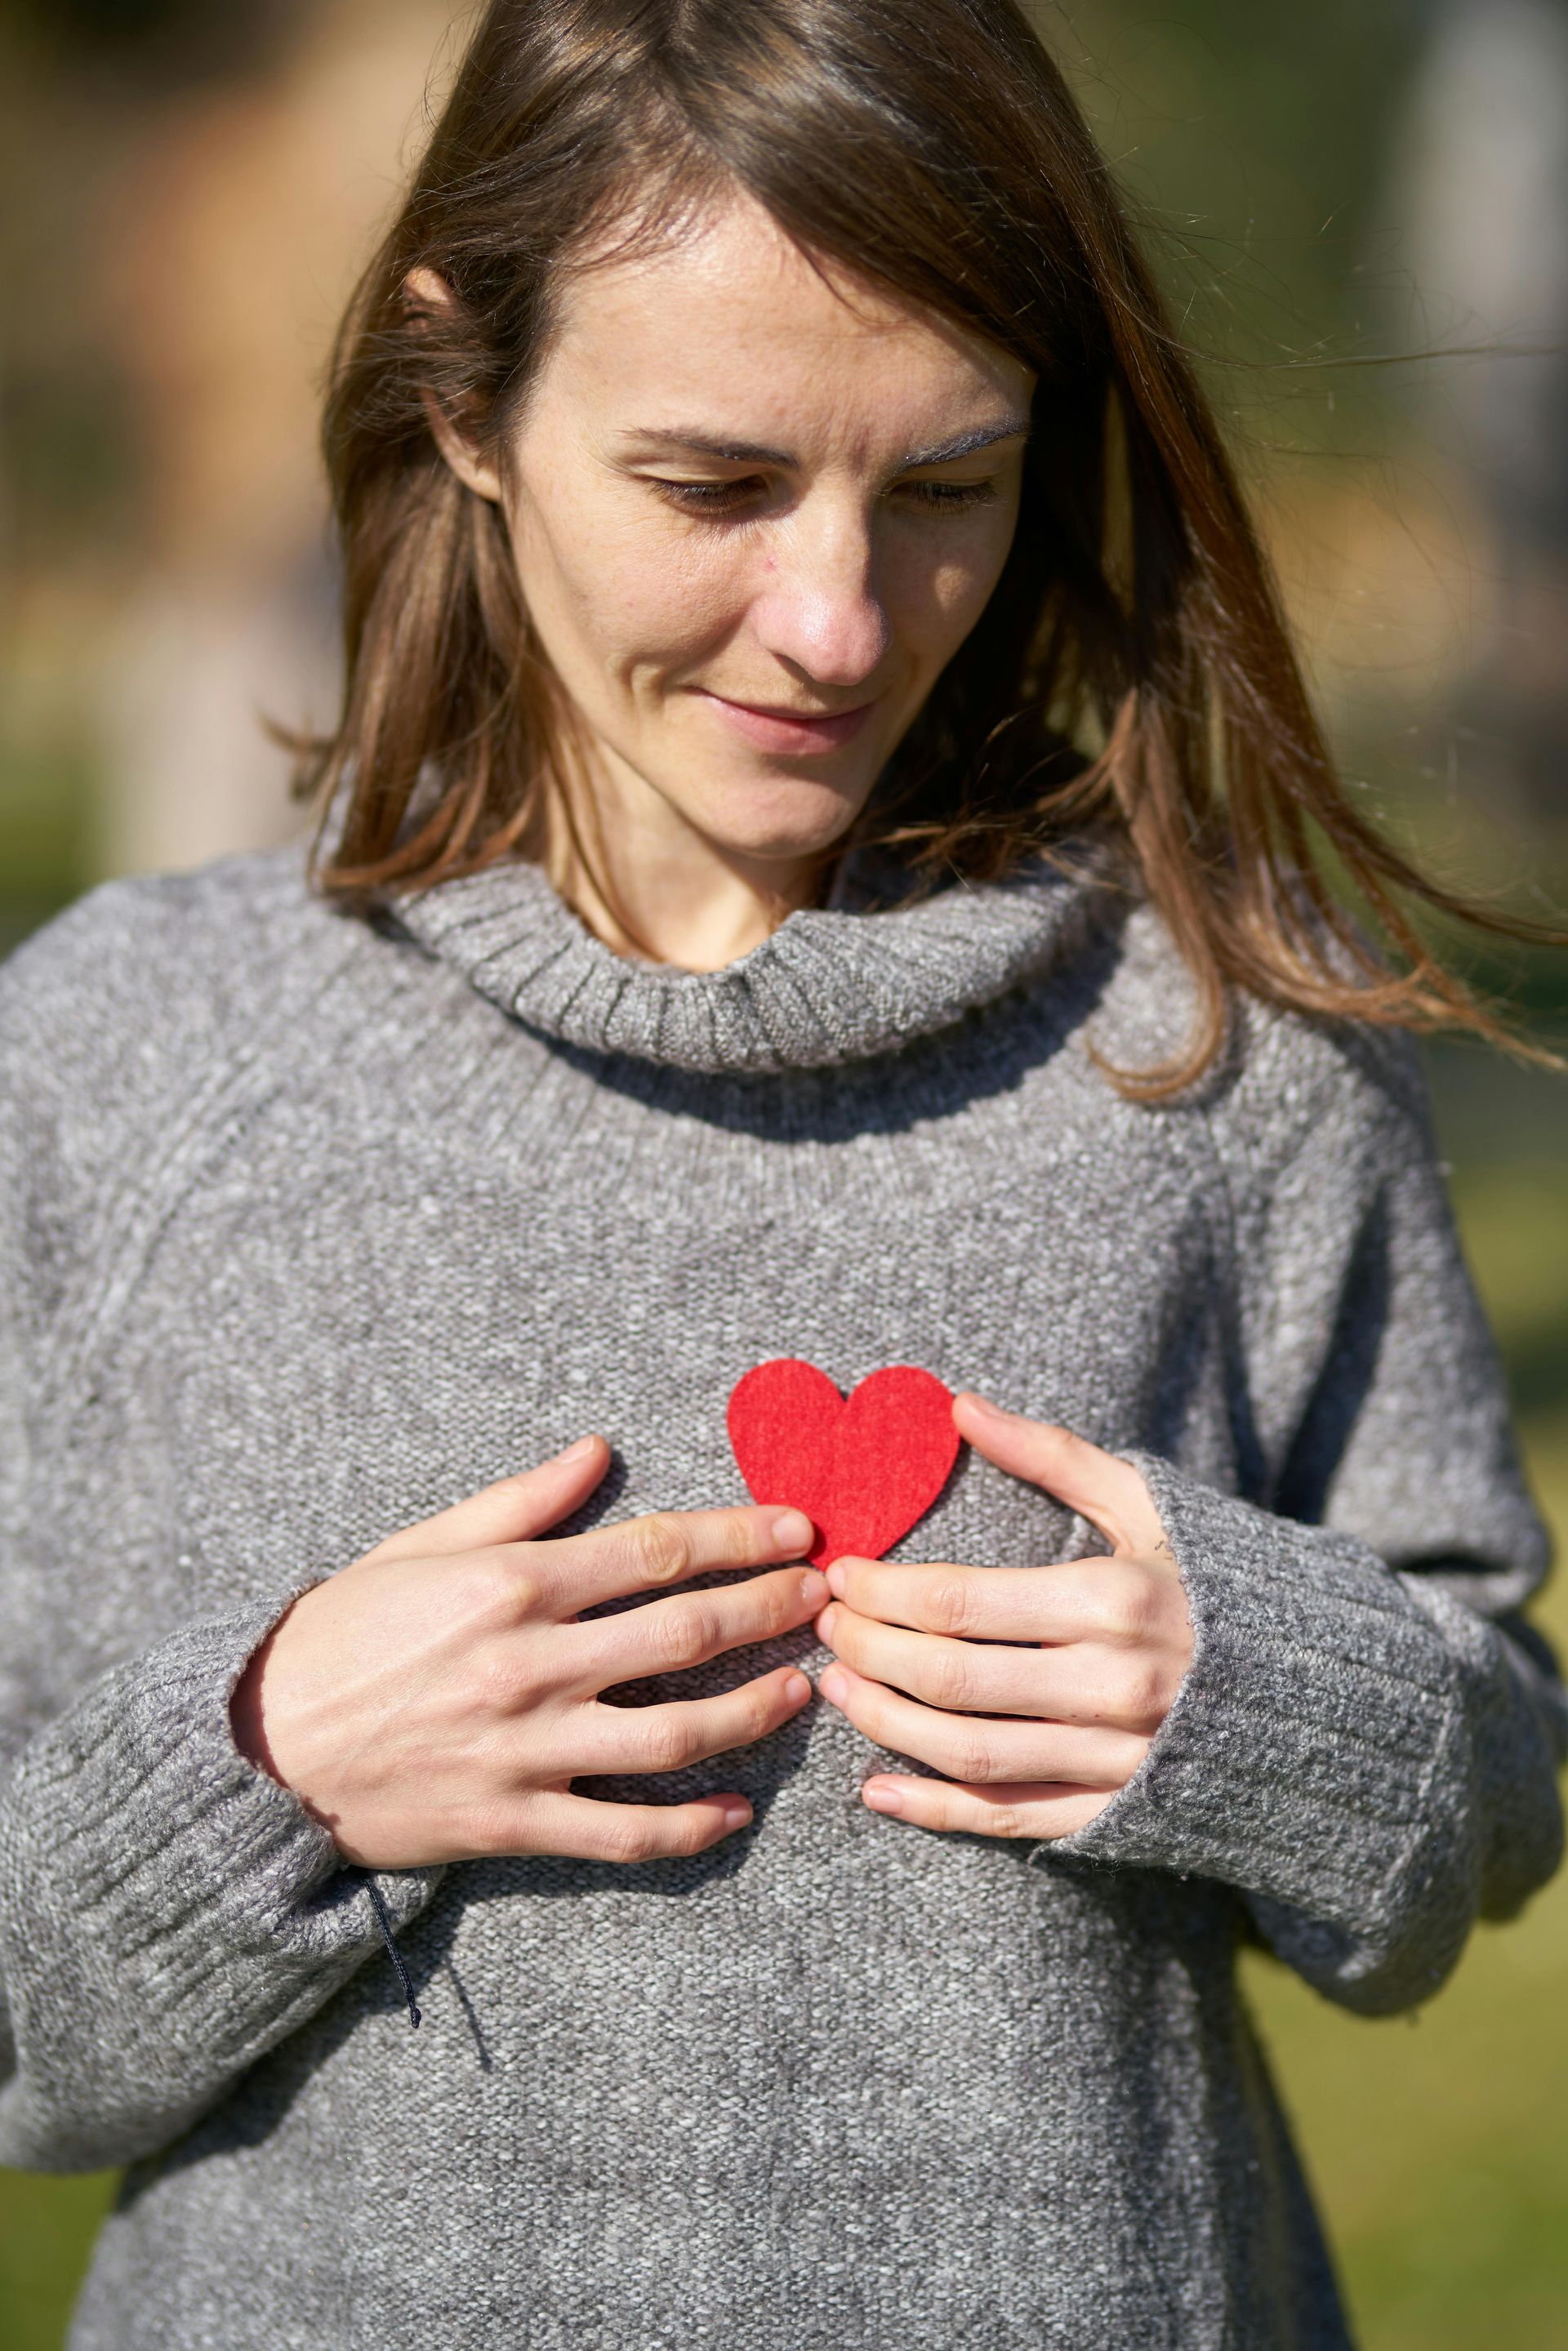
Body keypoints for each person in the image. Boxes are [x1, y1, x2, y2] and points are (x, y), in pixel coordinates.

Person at [1, 2, 1564, 2344]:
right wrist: (269, 1763)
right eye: (717, 488)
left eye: (946, 485)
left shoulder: (1228, 1037)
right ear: (466, 404)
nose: (840, 625)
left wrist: (1268, 1699)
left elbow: (1489, 1792)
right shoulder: (125, 1058)